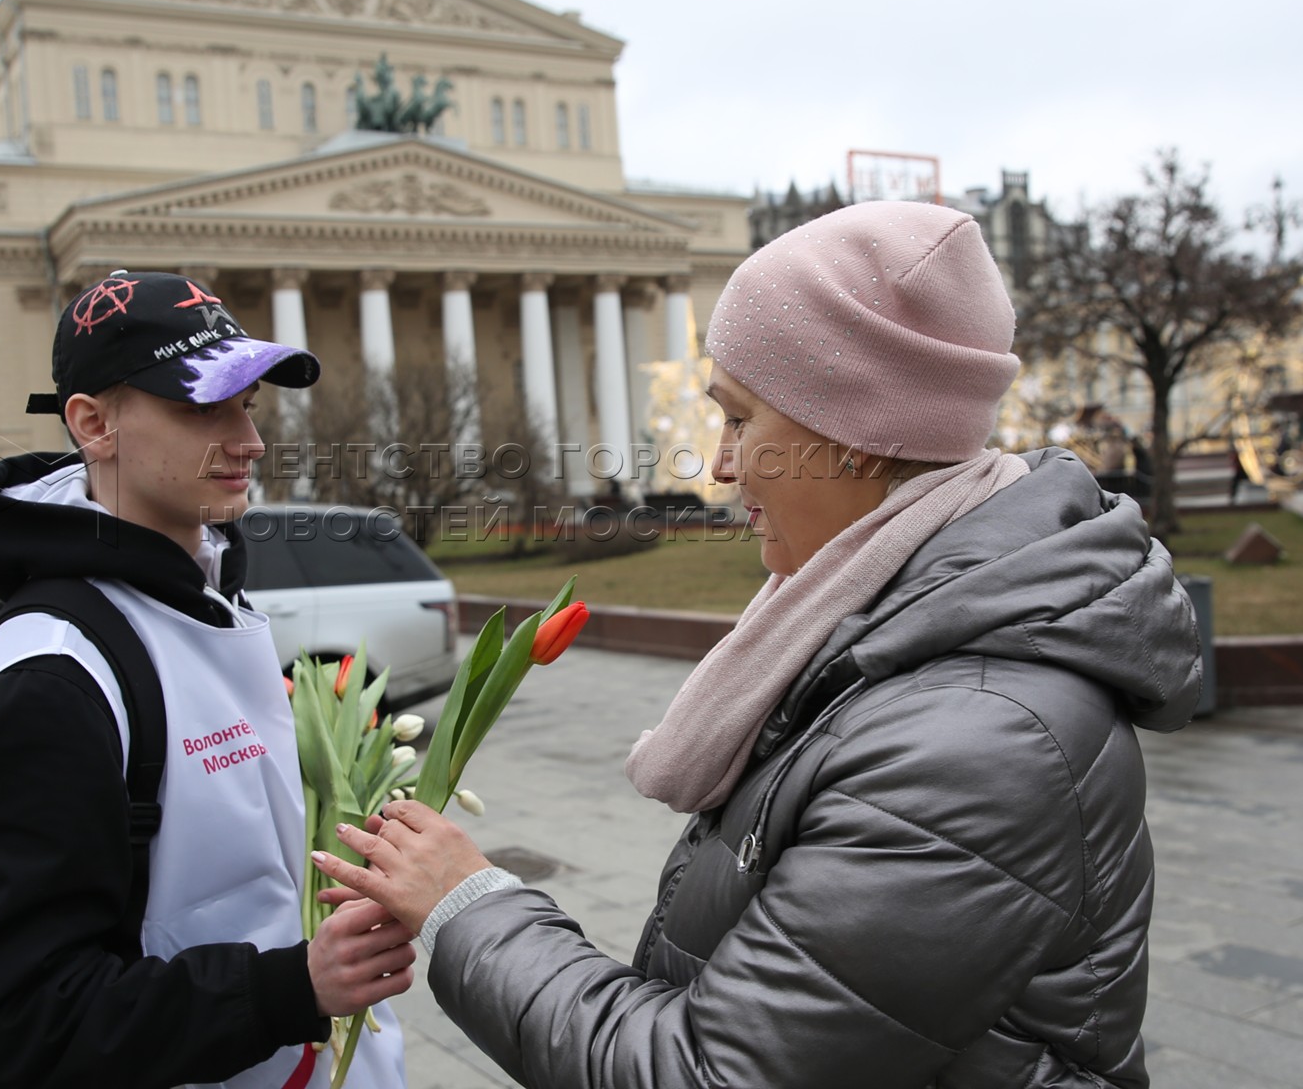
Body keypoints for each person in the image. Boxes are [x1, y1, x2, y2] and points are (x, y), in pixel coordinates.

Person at [316, 202, 1202, 1088]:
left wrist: (467, 905)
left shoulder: (972, 739)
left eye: (739, 419)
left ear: (858, 437)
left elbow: (710, 1074)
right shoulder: (869, 635)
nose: (719, 464)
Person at [0, 271, 412, 1089]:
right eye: (201, 408)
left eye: (247, 404)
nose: (248, 440)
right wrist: (292, 988)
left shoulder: (209, 597)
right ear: (92, 423)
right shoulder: (52, 677)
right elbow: (22, 1022)